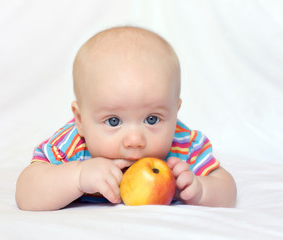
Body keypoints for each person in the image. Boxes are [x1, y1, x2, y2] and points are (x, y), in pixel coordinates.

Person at [16, 26, 237, 211]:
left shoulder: (182, 145)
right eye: (114, 121)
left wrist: (199, 190)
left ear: (174, 112)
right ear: (81, 121)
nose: (134, 140)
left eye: (152, 119)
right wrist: (78, 176)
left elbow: (227, 191)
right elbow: (26, 193)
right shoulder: (72, 147)